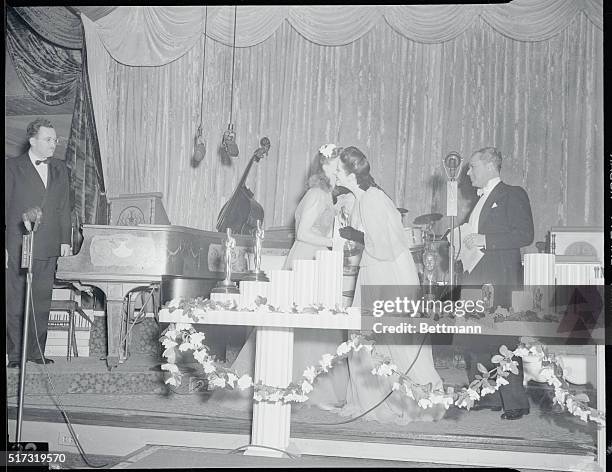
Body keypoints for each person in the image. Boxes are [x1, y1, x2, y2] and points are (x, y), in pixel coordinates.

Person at [208, 144, 349, 412]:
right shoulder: (317, 194)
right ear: (325, 167)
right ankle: (306, 391)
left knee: (314, 325)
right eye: (336, 165)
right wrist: (335, 241)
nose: (341, 170)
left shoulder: (329, 195)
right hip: (307, 259)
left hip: (318, 259)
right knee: (304, 321)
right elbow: (304, 233)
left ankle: (308, 388)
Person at [336, 146, 446, 424]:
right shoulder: (364, 198)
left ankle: (420, 399)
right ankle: (376, 398)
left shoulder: (372, 199)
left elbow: (383, 248)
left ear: (350, 174)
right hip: (377, 269)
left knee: (395, 336)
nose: (334, 174)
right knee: (370, 336)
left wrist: (355, 236)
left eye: (338, 169)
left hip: (387, 273)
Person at [461, 146, 534, 420]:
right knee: (476, 335)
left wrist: (485, 241)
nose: (468, 173)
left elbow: (525, 234)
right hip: (476, 276)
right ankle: (486, 395)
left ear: (490, 166)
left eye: (472, 167)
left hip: (501, 276)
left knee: (504, 338)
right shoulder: (478, 201)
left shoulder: (512, 194)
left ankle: (516, 403)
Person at [5, 118, 72, 368]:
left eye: (55, 140)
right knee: (15, 299)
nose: (53, 144)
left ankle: (36, 351)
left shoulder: (60, 168)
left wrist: (65, 241)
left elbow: (65, 207)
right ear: (32, 141)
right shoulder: (12, 167)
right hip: (18, 243)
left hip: (48, 244)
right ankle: (14, 355)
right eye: (48, 139)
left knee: (41, 300)